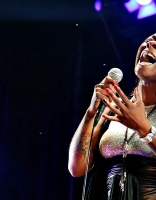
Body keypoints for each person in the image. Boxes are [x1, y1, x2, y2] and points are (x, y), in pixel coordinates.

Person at [68, 33, 156, 200]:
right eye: (146, 41)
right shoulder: (113, 109)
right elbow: (77, 167)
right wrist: (91, 113)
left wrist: (144, 129)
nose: (149, 43)